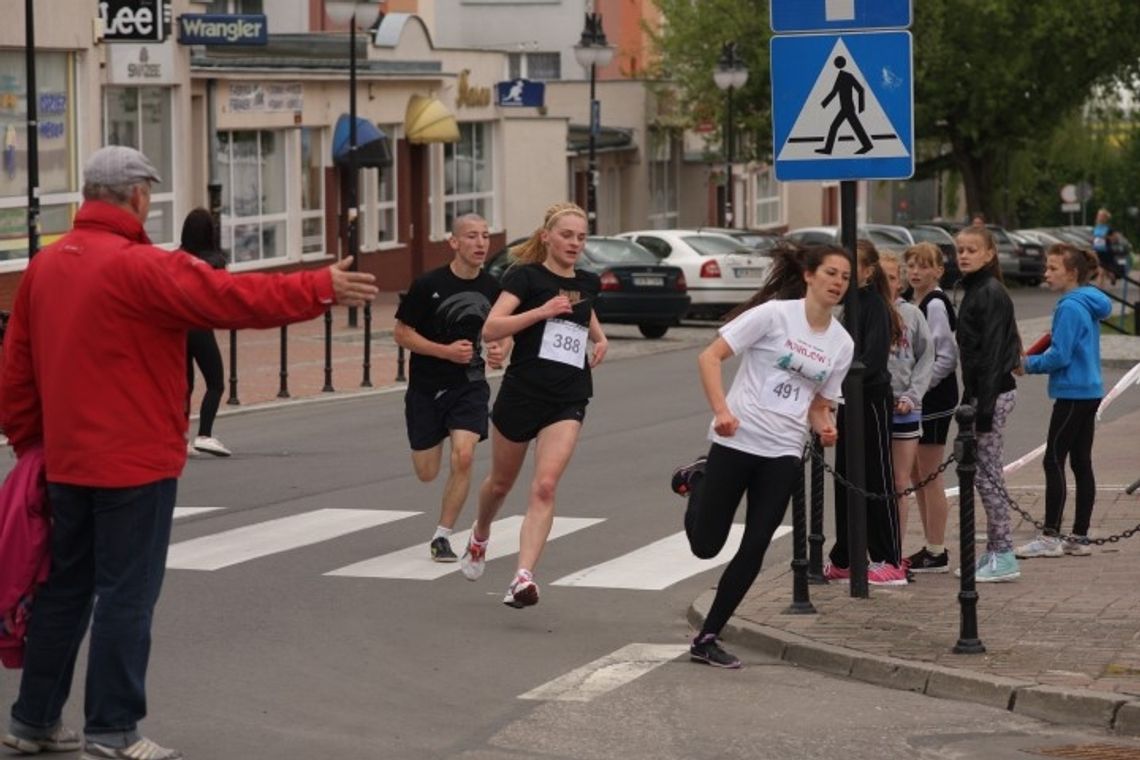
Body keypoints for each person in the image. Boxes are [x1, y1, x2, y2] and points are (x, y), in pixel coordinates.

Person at [0, 146, 377, 760]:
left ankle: (33, 721)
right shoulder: (141, 265)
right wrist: (319, 286)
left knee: (65, 591)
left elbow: (15, 371)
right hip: (135, 464)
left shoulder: (46, 267)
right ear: (137, 197)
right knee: (127, 594)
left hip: (67, 460)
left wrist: (30, 445)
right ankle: (112, 730)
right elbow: (230, 299)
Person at [670, 245, 854, 668]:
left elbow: (821, 401)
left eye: (844, 277)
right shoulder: (774, 315)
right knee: (705, 545)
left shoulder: (842, 344)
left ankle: (708, 636)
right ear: (809, 275)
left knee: (755, 547)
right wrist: (722, 411)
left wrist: (825, 426)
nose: (837, 282)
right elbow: (709, 356)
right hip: (737, 440)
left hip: (784, 452)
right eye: (830, 272)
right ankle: (698, 479)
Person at [458, 202, 607, 609]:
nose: (575, 243)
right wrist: (541, 311)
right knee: (502, 484)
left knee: (544, 486)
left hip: (569, 395)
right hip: (523, 392)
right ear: (547, 237)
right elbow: (491, 326)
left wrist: (600, 337)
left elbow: (582, 309)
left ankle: (522, 577)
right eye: (567, 235)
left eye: (581, 237)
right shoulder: (525, 277)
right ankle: (480, 534)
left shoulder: (588, 281)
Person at [393, 213, 509, 562]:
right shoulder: (428, 285)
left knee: (465, 455)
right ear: (454, 243)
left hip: (469, 386)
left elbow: (504, 331)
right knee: (427, 473)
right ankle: (437, 434)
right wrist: (444, 351)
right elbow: (401, 333)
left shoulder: (493, 289)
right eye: (472, 236)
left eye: (486, 236)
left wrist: (500, 350)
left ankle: (443, 535)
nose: (481, 243)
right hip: (427, 388)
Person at [1015, 244, 1110, 559]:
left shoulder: (1069, 306)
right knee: (1081, 462)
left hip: (1072, 393)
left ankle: (1050, 536)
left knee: (1053, 459)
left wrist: (1027, 364)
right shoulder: (1087, 302)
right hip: (1090, 390)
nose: (1046, 274)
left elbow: (1060, 355)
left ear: (1071, 273)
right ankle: (1079, 536)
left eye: (1053, 268)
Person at [824, 240, 907, 586]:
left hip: (870, 400)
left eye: (852, 267)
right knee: (846, 478)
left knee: (877, 478)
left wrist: (840, 381)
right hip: (849, 400)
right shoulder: (852, 305)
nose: (844, 275)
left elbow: (870, 361)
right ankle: (845, 556)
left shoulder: (873, 305)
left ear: (869, 270)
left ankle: (889, 557)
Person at [954, 224, 1022, 582]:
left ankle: (1005, 553)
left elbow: (994, 351)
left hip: (994, 394)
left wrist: (982, 410)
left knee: (987, 475)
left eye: (971, 249)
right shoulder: (974, 290)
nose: (963, 255)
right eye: (960, 249)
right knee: (983, 474)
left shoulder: (990, 292)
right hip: (983, 393)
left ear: (989, 253)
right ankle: (996, 549)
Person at [902, 242, 960, 573]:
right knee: (916, 473)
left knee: (930, 472)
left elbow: (946, 356)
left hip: (934, 397)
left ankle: (937, 548)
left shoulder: (935, 304)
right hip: (920, 395)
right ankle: (929, 544)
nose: (915, 272)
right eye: (911, 265)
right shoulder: (915, 302)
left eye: (923, 266)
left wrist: (920, 389)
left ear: (938, 270)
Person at [879, 250, 933, 560]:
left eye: (889, 277)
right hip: (874, 408)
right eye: (878, 278)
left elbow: (927, 357)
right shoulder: (862, 313)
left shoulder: (913, 315)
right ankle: (871, 548)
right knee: (873, 482)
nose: (885, 284)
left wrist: (912, 396)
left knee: (899, 483)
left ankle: (894, 554)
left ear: (898, 281)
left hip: (905, 411)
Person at [179, 208, 231, 457]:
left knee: (184, 385)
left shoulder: (175, 259)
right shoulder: (215, 261)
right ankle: (205, 435)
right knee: (216, 382)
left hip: (177, 327)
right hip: (200, 326)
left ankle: (179, 437)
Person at [1092, 208, 1121, 287]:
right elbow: (1094, 239)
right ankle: (1100, 287)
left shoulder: (1109, 228)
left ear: (1105, 218)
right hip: (1098, 251)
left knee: (1105, 271)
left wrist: (1106, 237)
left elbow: (1115, 239)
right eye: (1098, 215)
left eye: (1100, 215)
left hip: (1107, 252)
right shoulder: (1096, 227)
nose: (1098, 217)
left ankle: (1111, 278)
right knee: (1102, 271)